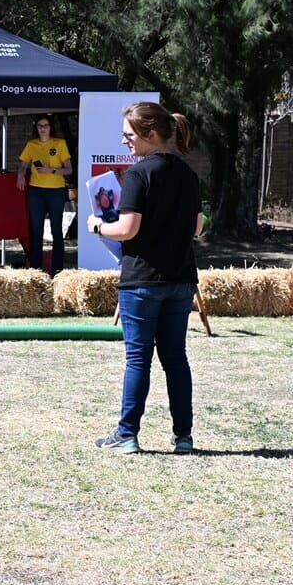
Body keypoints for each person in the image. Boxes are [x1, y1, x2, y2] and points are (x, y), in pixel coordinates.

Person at [87, 102, 204, 455]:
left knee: (138, 358)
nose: (125, 142)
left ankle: (126, 434)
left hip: (142, 281)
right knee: (176, 358)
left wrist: (97, 226)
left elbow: (126, 228)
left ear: (150, 134)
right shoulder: (188, 173)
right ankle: (183, 436)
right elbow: (198, 227)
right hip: (181, 278)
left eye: (129, 135)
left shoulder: (139, 174)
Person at [16, 114, 73, 275]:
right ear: (36, 128)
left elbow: (69, 169)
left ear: (50, 127)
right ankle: (36, 270)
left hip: (56, 191)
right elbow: (23, 165)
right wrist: (20, 174)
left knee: (56, 230)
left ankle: (58, 269)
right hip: (36, 191)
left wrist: (52, 170)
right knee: (36, 230)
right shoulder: (31, 144)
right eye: (40, 125)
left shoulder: (59, 143)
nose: (42, 128)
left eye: (45, 125)